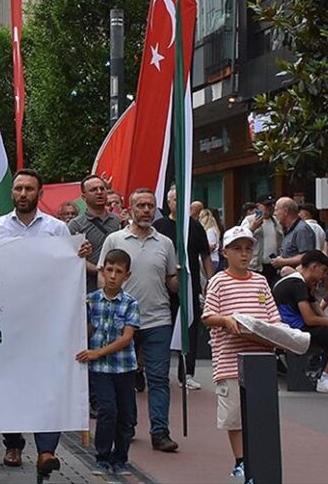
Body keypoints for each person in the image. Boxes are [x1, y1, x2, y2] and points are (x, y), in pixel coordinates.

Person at [0, 169, 92, 474]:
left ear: (39, 194)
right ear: (12, 193)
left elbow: (69, 267)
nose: (22, 194)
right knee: (10, 382)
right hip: (6, 320)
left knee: (46, 381)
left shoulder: (56, 230)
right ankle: (13, 443)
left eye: (28, 189)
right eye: (18, 189)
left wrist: (78, 254)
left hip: (46, 321)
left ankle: (47, 450)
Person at [99, 188, 180, 453]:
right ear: (130, 209)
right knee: (125, 378)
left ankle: (160, 431)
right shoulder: (114, 239)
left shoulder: (165, 243)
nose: (146, 210)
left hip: (158, 319)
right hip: (123, 320)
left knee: (158, 378)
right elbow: (104, 275)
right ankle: (128, 425)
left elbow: (172, 283)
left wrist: (185, 275)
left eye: (150, 206)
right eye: (141, 205)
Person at [202, 225, 281, 480]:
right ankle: (240, 460)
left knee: (260, 413)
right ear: (225, 252)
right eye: (237, 249)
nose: (244, 255)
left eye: (248, 249)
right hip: (229, 361)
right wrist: (226, 321)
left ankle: (259, 457)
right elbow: (208, 316)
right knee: (234, 415)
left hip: (261, 359)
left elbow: (273, 318)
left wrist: (280, 335)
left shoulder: (260, 281)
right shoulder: (218, 281)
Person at [78, 249, 139, 476]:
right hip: (101, 370)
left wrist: (97, 352)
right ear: (102, 271)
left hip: (123, 367)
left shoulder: (130, 303)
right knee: (107, 410)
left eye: (118, 272)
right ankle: (102, 457)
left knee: (125, 414)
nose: (113, 276)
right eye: (109, 270)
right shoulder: (90, 301)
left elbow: (127, 337)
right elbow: (84, 330)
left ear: (127, 275)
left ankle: (121, 458)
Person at [153, 186, 213, 391]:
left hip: (190, 286)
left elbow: (205, 255)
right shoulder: (159, 226)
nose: (178, 203)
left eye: (182, 199)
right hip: (163, 288)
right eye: (175, 199)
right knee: (163, 328)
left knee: (190, 329)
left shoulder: (195, 227)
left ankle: (187, 373)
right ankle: (160, 371)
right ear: (169, 202)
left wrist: (211, 283)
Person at [272, 250, 328, 394]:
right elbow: (310, 319)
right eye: (324, 271)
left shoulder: (299, 282)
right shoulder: (297, 285)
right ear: (313, 267)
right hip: (296, 329)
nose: (324, 276)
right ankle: (326, 378)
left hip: (292, 327)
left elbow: (317, 309)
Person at [69, 175, 121, 294]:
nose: (99, 192)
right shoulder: (75, 225)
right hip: (89, 289)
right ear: (83, 197)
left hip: (118, 287)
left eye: (102, 189)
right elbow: (72, 258)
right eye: (93, 190)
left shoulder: (118, 221)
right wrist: (101, 272)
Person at [240, 196, 282, 283]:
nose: (270, 208)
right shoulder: (249, 220)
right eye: (267, 205)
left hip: (273, 265)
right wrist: (252, 228)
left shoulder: (276, 221)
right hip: (256, 266)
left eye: (271, 205)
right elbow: (241, 238)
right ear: (258, 206)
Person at [272, 197, 317, 277]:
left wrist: (283, 262)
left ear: (285, 211)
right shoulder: (288, 230)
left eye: (276, 210)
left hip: (297, 279)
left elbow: (307, 256)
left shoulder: (302, 229)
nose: (274, 214)